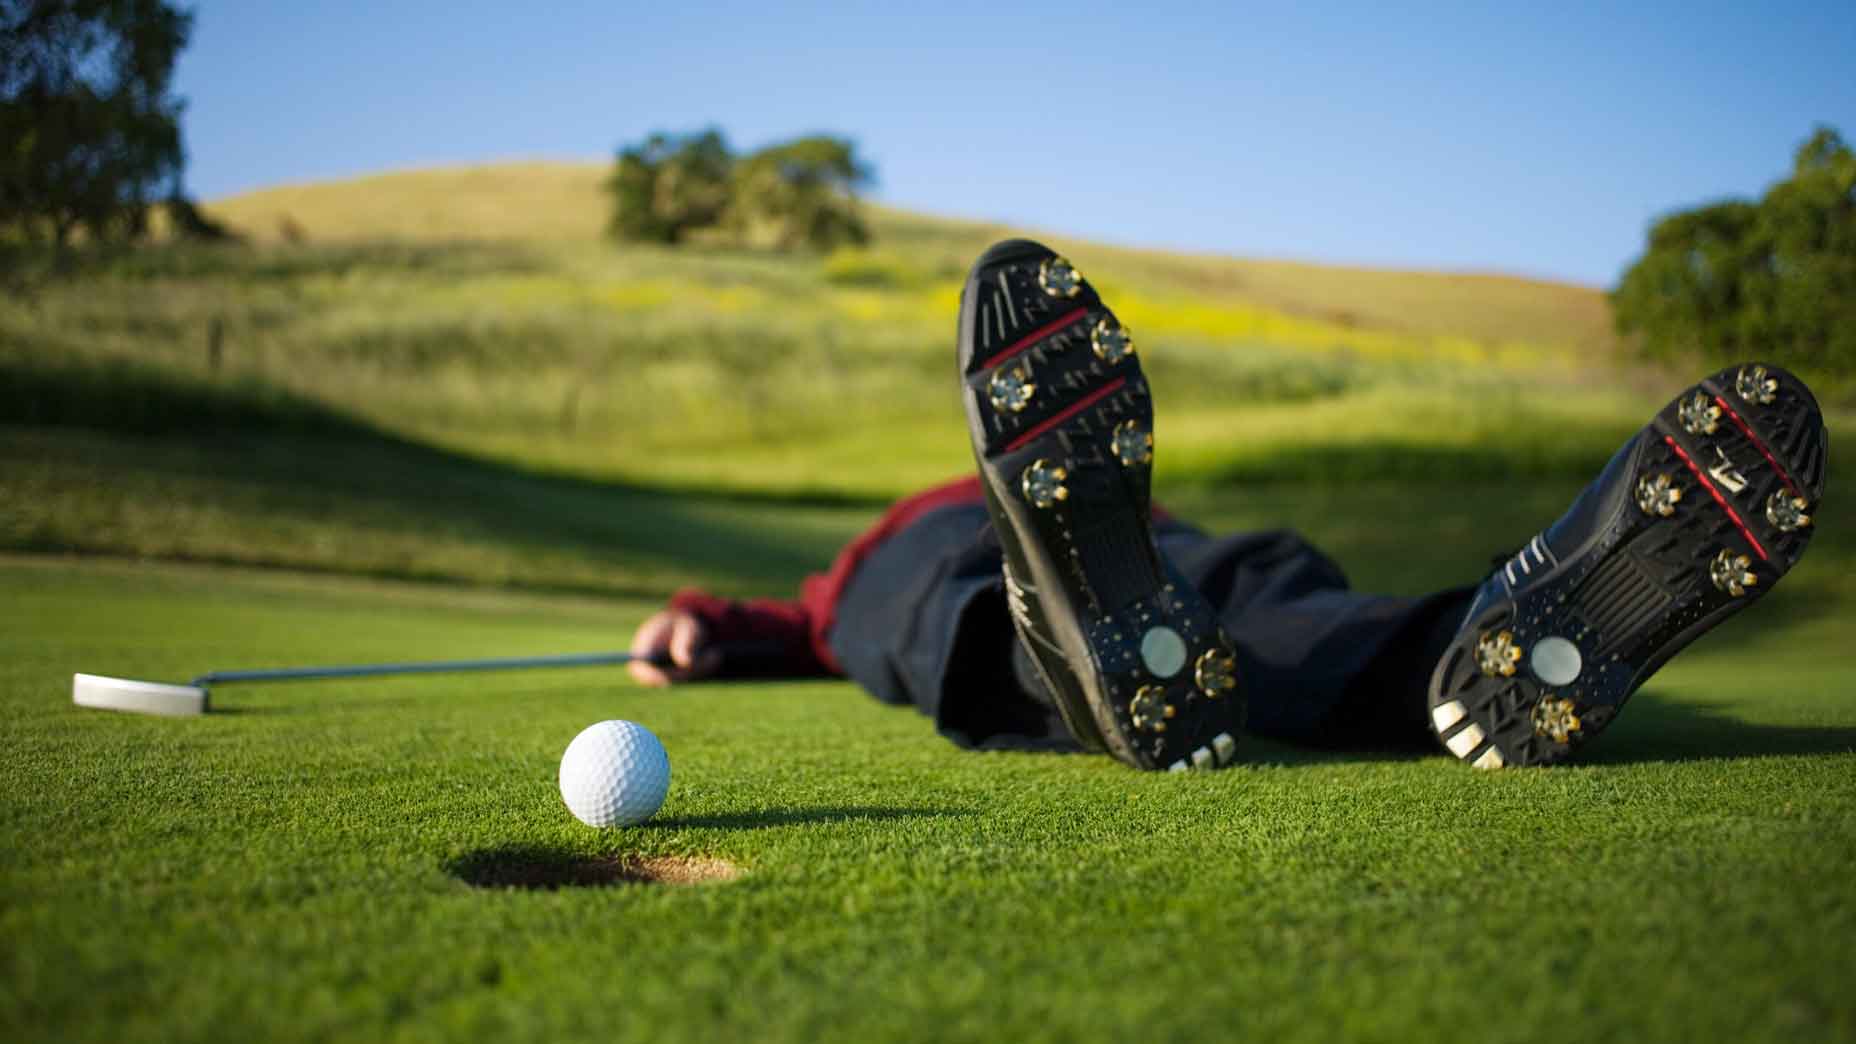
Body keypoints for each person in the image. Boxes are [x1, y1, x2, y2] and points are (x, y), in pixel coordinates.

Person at [630, 240, 1828, 771]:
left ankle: (1070, 644)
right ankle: (1469, 636)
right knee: (1272, 612)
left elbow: (802, 621)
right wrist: (708, 623)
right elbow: (763, 626)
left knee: (929, 612)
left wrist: (705, 624)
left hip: (975, 556)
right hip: (1162, 541)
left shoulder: (873, 544)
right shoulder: (915, 530)